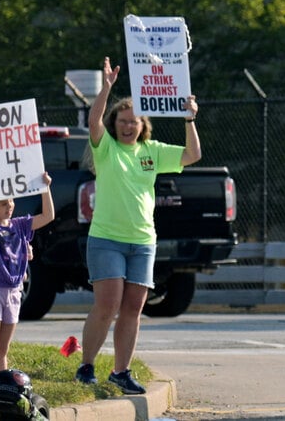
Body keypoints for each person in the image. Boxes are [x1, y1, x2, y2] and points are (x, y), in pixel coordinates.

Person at [75, 57, 201, 395]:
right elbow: (93, 120)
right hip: (106, 239)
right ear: (115, 123)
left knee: (133, 307)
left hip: (143, 241)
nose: (128, 126)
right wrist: (107, 87)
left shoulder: (153, 151)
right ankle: (86, 366)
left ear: (143, 125)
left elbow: (192, 155)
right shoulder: (106, 150)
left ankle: (121, 371)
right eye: (123, 121)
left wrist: (190, 118)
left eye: (134, 121)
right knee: (108, 304)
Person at [0, 170, 55, 387]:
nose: (9, 205)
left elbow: (48, 216)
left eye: (10, 201)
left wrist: (45, 188)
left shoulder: (20, 225)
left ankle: (3, 388)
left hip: (14, 292)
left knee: (3, 349)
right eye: (2, 203)